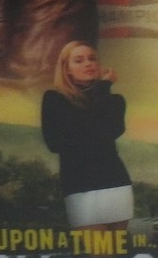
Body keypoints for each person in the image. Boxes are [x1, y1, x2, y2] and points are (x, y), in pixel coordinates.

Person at [40, 40, 133, 233]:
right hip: (79, 185)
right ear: (66, 69)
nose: (88, 64)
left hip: (115, 183)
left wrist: (103, 88)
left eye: (92, 59)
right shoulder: (54, 100)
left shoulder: (114, 101)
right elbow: (55, 143)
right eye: (79, 60)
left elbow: (108, 131)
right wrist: (89, 132)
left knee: (116, 250)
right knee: (98, 251)